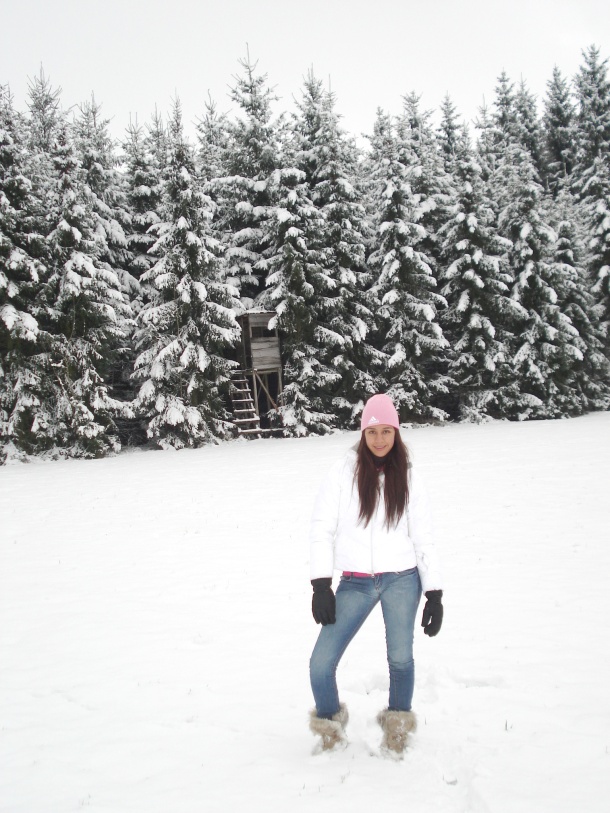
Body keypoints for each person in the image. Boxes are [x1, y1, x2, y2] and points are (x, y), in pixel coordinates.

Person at [308, 393, 443, 755]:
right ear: (362, 433)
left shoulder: (409, 476)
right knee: (321, 663)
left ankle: (397, 727)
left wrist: (434, 592)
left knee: (400, 659)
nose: (380, 439)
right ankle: (329, 731)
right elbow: (322, 527)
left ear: (396, 433)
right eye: (373, 432)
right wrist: (321, 584)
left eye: (387, 431)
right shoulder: (343, 472)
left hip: (402, 579)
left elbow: (423, 536)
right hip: (355, 582)